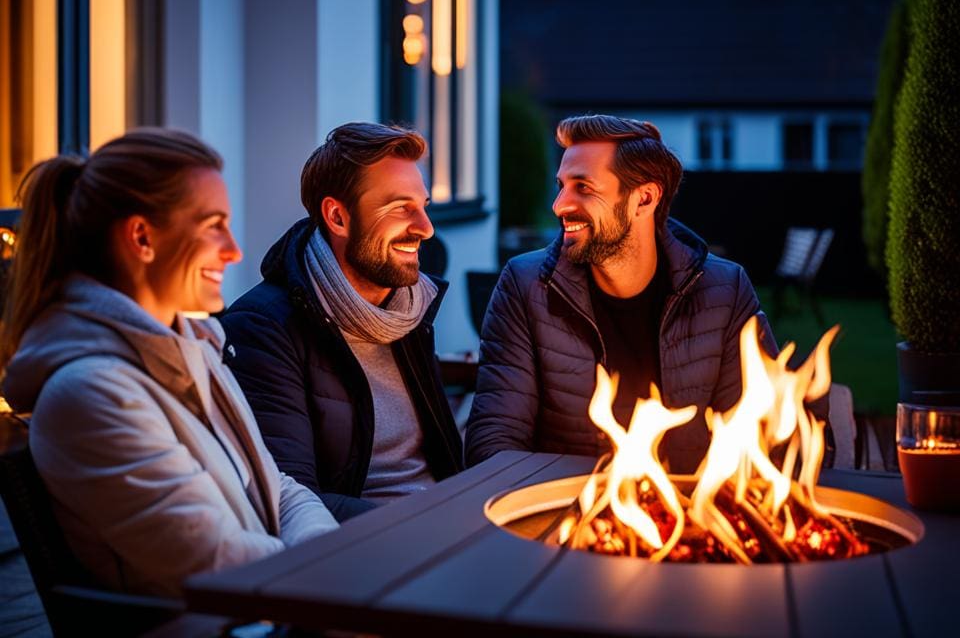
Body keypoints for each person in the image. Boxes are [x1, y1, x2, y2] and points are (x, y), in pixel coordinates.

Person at [0, 128, 338, 598]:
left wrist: (332, 557)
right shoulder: (90, 396)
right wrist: (333, 574)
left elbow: (276, 487)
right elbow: (215, 561)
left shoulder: (194, 349)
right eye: (213, 224)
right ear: (141, 237)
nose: (234, 250)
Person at [466, 115, 791, 475]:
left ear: (645, 199)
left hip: (691, 517)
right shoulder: (525, 287)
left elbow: (763, 438)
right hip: (567, 518)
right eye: (561, 186)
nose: (559, 205)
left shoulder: (724, 291)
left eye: (583, 188)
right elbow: (495, 443)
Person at [220, 122, 463, 521]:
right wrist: (431, 525)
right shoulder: (263, 328)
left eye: (423, 206)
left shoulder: (409, 309)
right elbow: (290, 497)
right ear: (337, 217)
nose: (425, 228)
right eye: (401, 208)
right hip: (362, 551)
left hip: (447, 524)